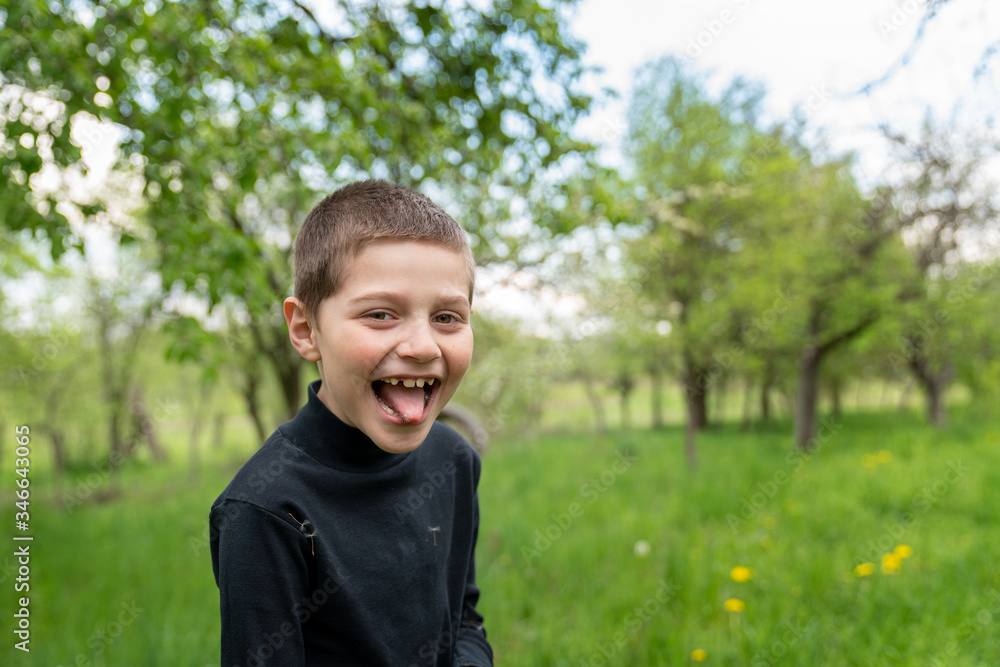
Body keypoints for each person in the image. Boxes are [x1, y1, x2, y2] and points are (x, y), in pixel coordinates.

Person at [209, 180, 492, 667]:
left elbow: (463, 618)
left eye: (447, 317)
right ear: (306, 330)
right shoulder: (264, 511)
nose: (423, 346)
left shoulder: (455, 459)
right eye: (381, 314)